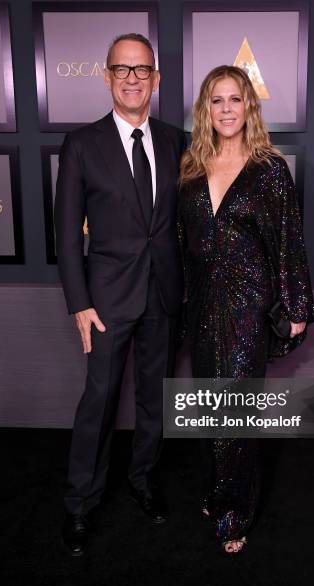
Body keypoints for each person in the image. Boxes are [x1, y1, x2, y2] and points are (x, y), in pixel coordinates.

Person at [54, 33, 186, 556]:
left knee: (154, 399)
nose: (132, 78)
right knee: (99, 401)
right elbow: (66, 234)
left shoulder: (177, 139)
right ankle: (80, 504)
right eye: (122, 69)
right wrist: (78, 302)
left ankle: (144, 481)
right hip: (105, 300)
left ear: (156, 79)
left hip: (164, 294)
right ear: (106, 76)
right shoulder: (82, 143)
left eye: (142, 69)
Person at [177, 65, 314, 554]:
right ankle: (217, 492)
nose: (226, 110)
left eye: (235, 99)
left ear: (249, 106)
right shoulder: (192, 166)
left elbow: (287, 242)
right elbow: (181, 242)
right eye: (217, 101)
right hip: (201, 304)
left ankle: (234, 514)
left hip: (248, 303)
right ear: (206, 109)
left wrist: (296, 306)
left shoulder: (268, 169)